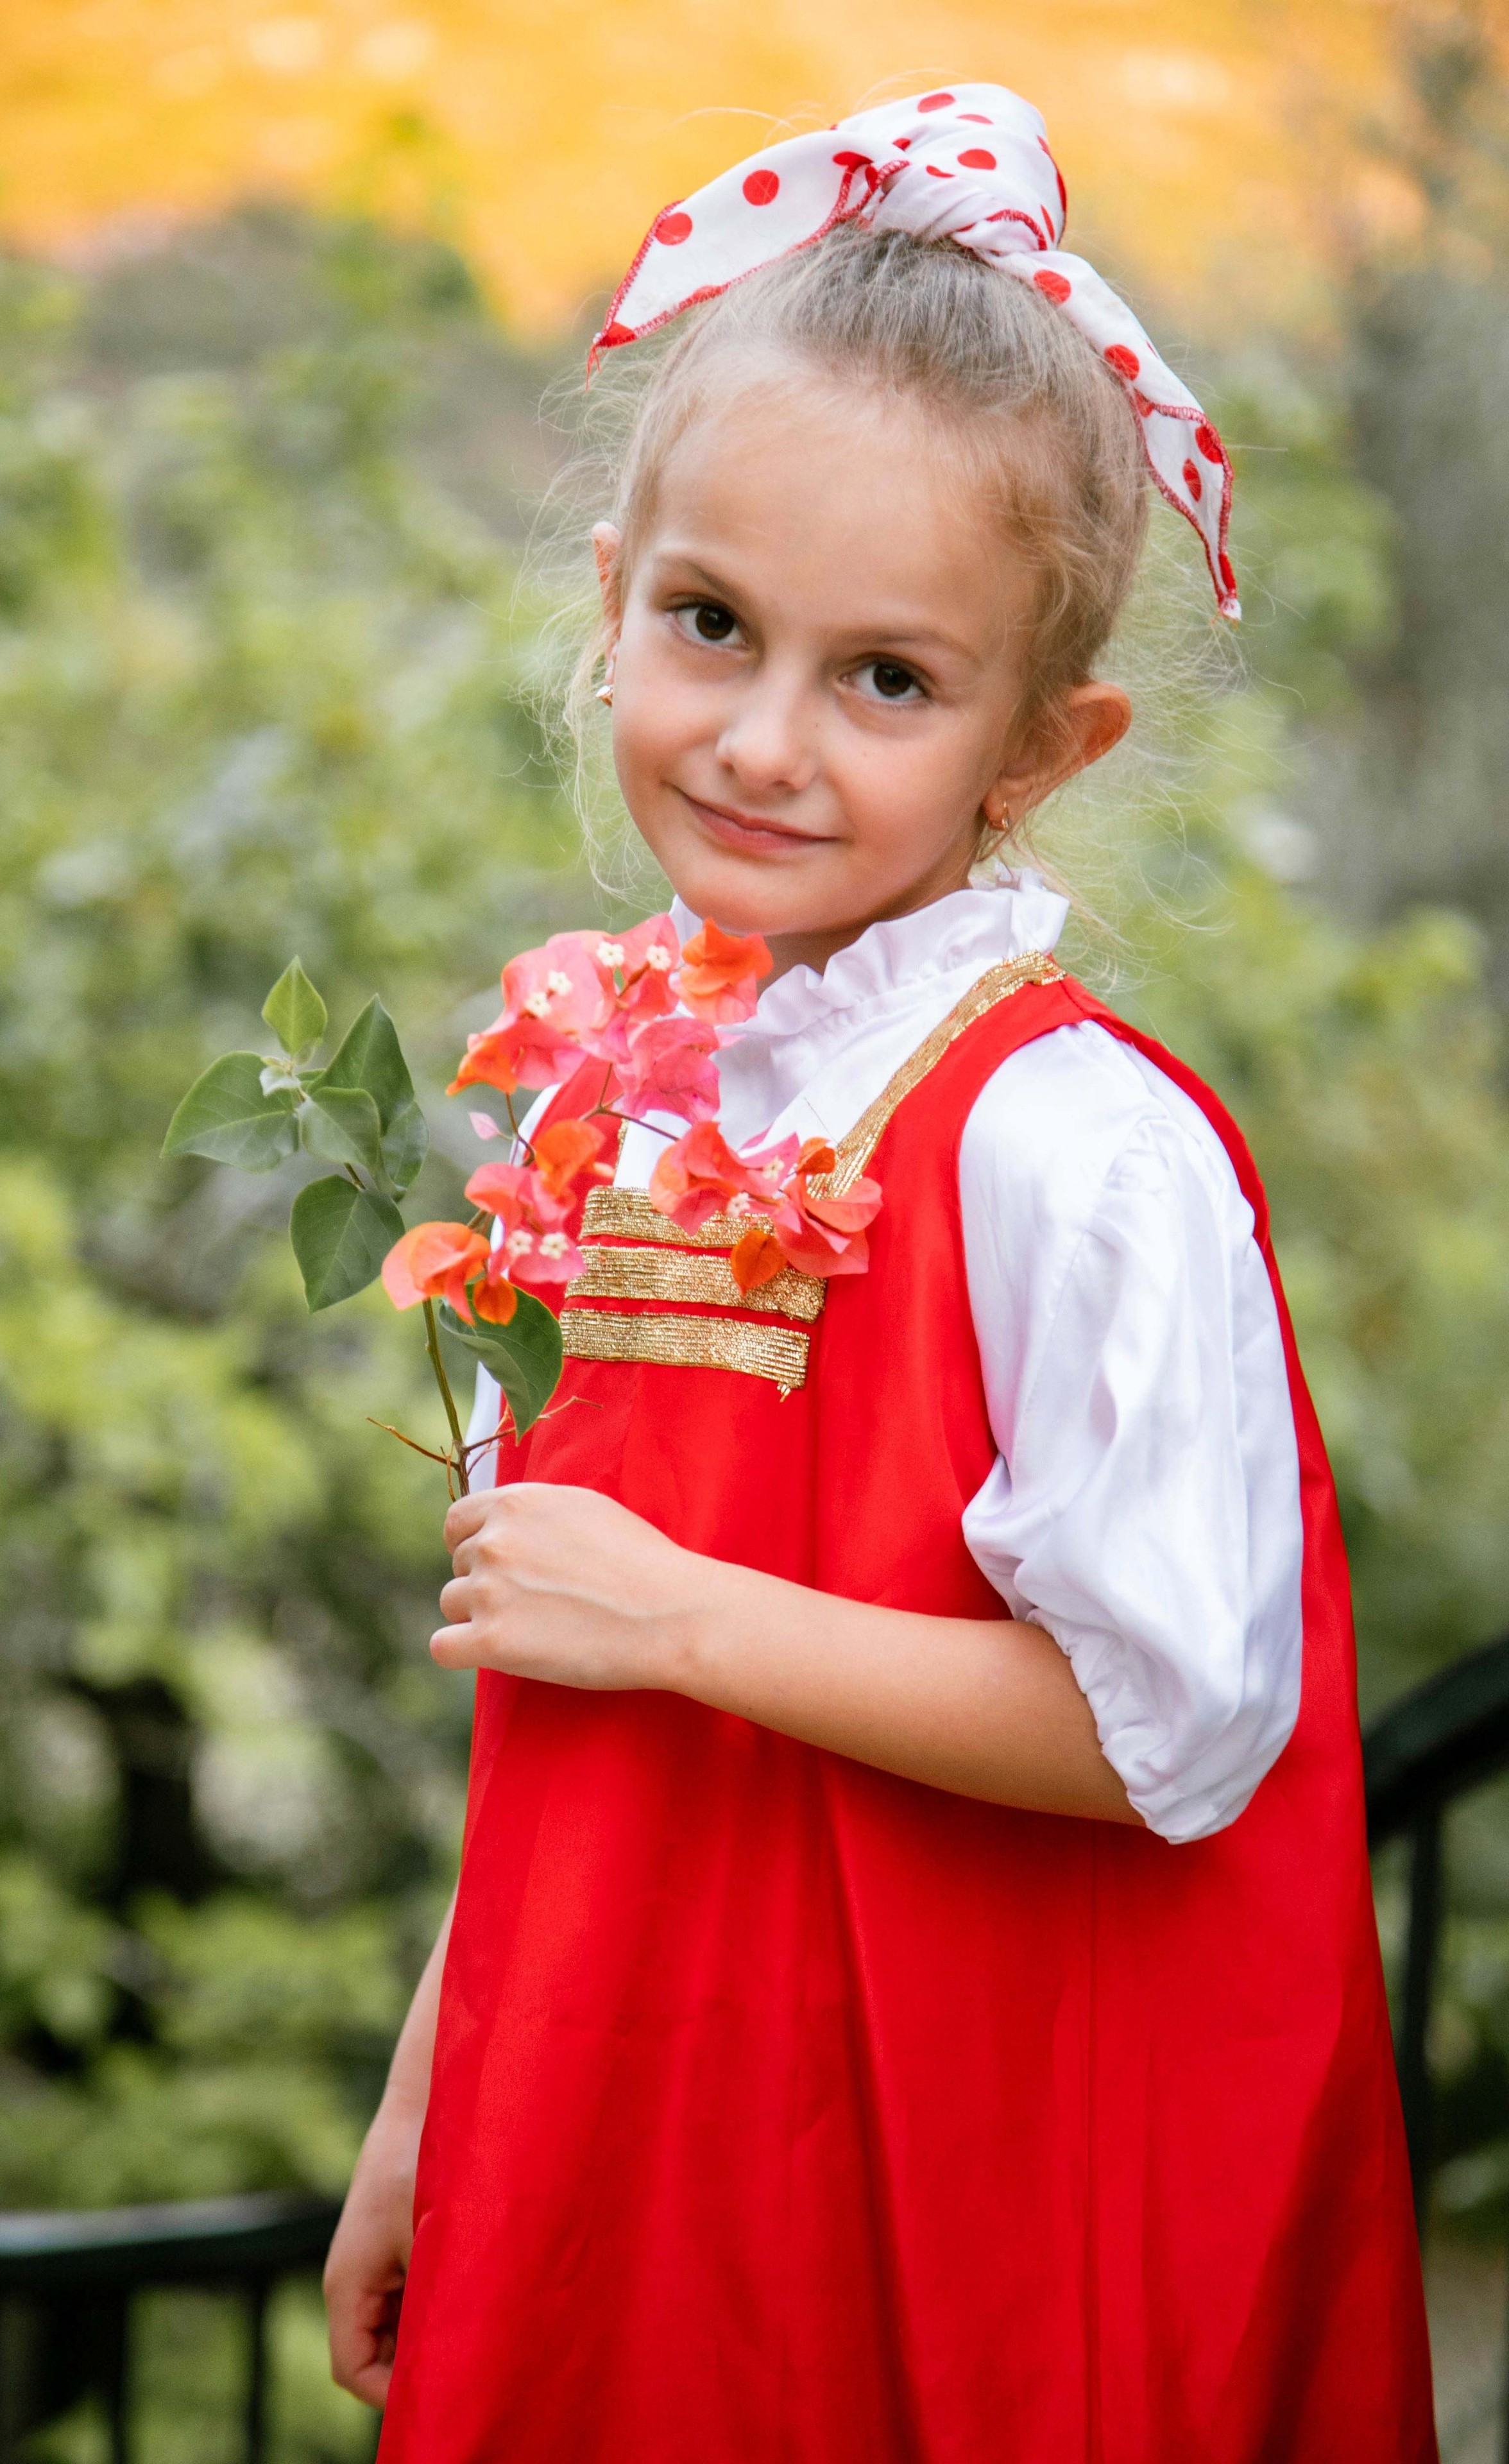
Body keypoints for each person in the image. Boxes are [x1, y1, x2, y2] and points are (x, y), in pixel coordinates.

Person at [325, 85, 1437, 2461]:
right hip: (622, 2129)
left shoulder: (1069, 1146)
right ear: (614, 593)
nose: (761, 741)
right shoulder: (608, 1107)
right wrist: (439, 2097)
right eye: (711, 625)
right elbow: (570, 1714)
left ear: (1045, 743)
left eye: (888, 681)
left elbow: (1174, 1731)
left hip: (945, 2164)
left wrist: (682, 1615)